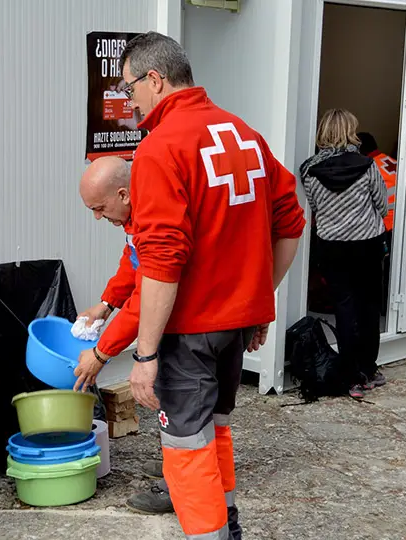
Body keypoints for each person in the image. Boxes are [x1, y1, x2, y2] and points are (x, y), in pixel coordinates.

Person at [72, 32, 306, 540]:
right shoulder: (243, 132)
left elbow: (160, 260)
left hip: (192, 331)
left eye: (130, 88)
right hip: (234, 327)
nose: (129, 102)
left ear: (155, 80)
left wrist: (144, 356)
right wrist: (259, 303)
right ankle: (229, 525)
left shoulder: (161, 149)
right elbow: (290, 220)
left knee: (184, 450)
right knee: (214, 431)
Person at [76, 155, 173, 515]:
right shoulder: (131, 221)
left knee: (176, 403)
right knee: (167, 397)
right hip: (161, 322)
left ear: (123, 194)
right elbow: (129, 264)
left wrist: (101, 354)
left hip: (179, 324)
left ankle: (176, 487)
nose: (98, 217)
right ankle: (173, 463)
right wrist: (105, 304)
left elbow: (145, 297)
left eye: (100, 208)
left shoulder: (153, 220)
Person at [300, 110, 389, 399]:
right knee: (368, 307)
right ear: (351, 131)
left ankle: (350, 378)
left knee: (345, 309)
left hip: (332, 246)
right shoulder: (367, 165)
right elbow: (382, 205)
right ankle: (368, 370)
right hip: (367, 244)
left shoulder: (308, 169)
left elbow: (314, 207)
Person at [357, 131, 398, 314]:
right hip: (401, 223)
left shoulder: (369, 167)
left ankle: (379, 309)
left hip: (385, 225)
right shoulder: (392, 161)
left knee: (378, 273)